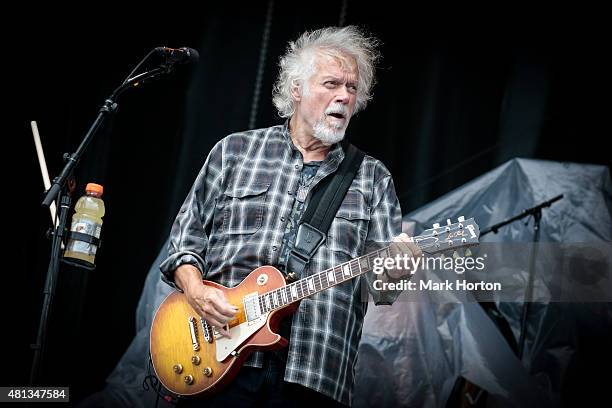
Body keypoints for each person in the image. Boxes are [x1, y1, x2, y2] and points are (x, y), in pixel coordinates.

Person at [160, 25, 420, 407]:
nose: (344, 97)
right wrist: (197, 292)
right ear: (296, 90)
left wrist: (396, 270)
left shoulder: (373, 178)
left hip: (315, 375)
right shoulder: (235, 151)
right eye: (331, 84)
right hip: (215, 358)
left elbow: (382, 289)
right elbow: (185, 240)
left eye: (352, 89)